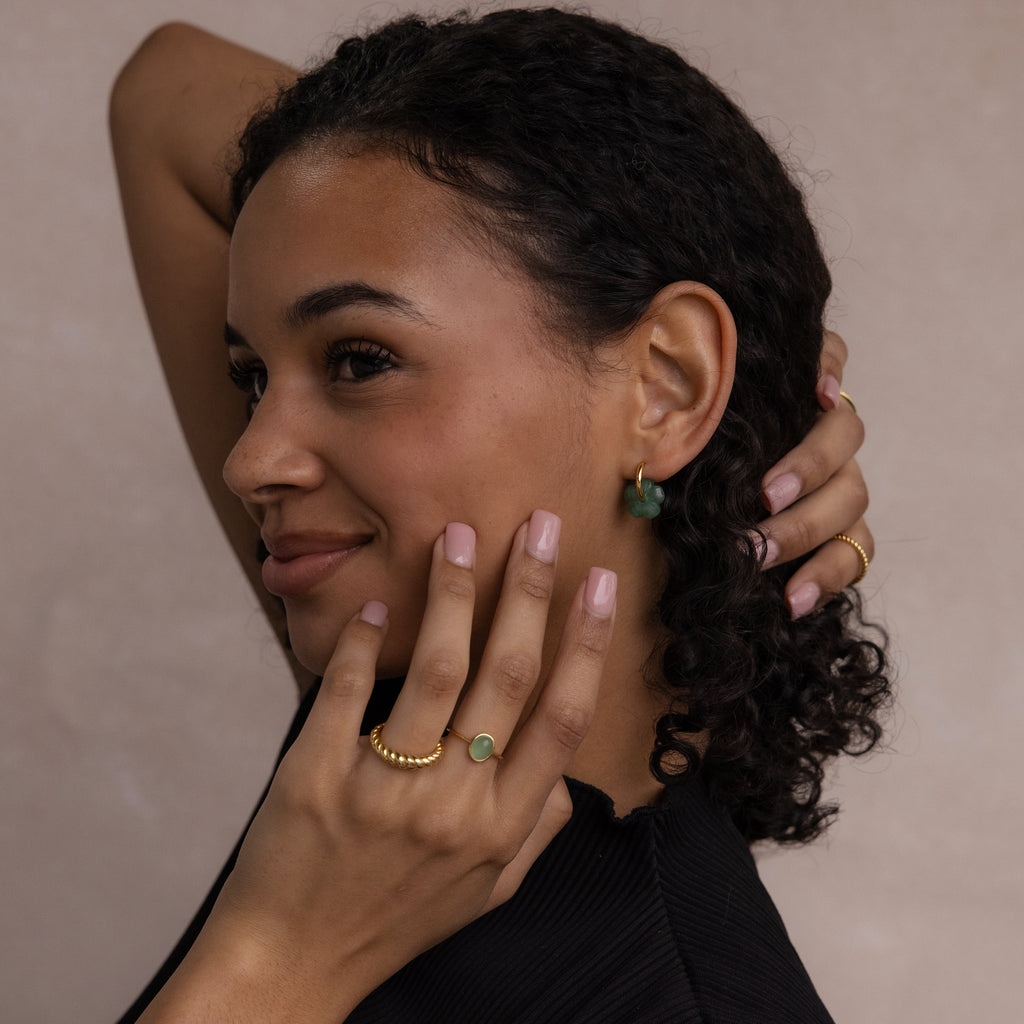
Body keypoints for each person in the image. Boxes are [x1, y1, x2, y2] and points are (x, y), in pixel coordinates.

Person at [109, 8, 888, 1022]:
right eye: (251, 377)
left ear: (665, 386)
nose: (249, 457)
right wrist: (756, 315)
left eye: (358, 360)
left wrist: (278, 962)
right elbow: (163, 93)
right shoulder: (397, 740)